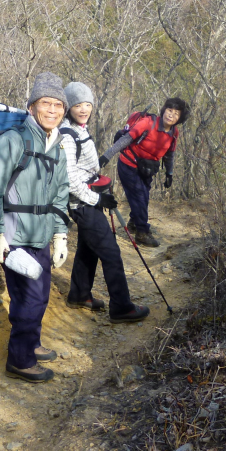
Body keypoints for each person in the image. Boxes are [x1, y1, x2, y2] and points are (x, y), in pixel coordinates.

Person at [0, 72, 71, 383]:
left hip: (41, 234)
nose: (53, 110)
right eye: (46, 103)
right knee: (30, 298)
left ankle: (31, 343)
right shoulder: (12, 141)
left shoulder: (57, 145)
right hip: (14, 234)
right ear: (32, 107)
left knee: (40, 294)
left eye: (59, 105)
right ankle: (19, 360)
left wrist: (60, 234)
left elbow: (60, 194)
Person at [59, 82, 150, 324]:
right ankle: (121, 307)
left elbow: (84, 168)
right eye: (78, 104)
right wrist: (98, 198)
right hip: (82, 202)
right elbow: (69, 180)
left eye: (88, 104)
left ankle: (79, 294)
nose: (84, 109)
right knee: (110, 252)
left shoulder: (79, 129)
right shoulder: (67, 136)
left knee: (88, 248)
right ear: (69, 107)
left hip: (88, 198)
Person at [99, 97, 188, 248]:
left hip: (147, 168)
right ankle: (142, 232)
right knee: (139, 196)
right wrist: (106, 156)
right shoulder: (148, 123)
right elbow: (126, 139)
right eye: (169, 110)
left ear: (180, 119)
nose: (171, 115)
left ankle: (134, 222)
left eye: (176, 113)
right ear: (164, 110)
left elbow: (169, 154)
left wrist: (169, 173)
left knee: (144, 197)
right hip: (128, 163)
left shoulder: (174, 132)